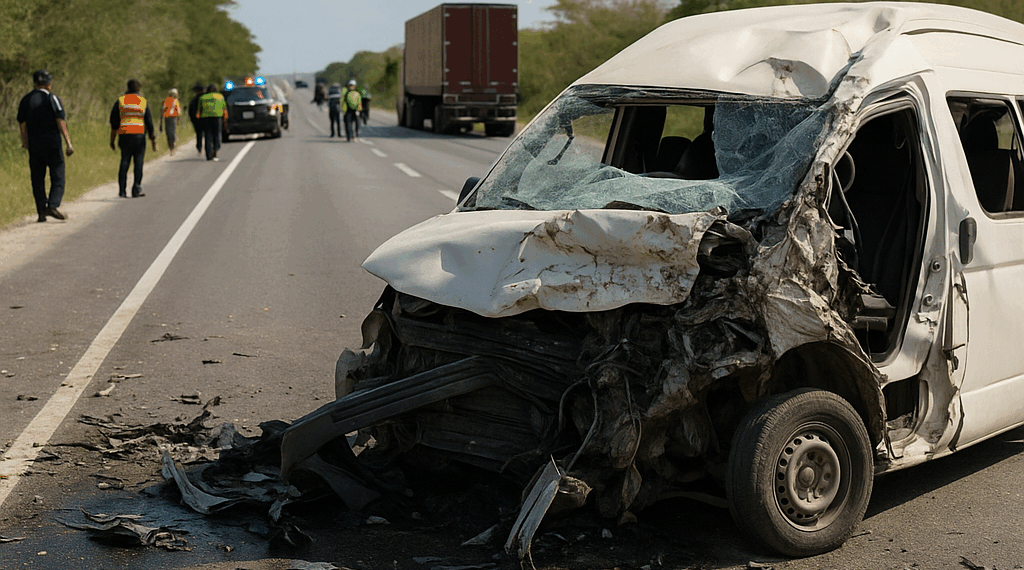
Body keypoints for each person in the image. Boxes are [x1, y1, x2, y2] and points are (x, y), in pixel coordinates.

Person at [18, 69, 74, 222]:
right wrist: (68, 142)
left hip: (35, 143)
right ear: (49, 84)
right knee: (58, 173)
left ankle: (41, 210)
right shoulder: (52, 98)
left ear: (35, 83)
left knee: (37, 177)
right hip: (52, 142)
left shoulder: (25, 100)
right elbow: (60, 120)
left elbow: (22, 124)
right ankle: (53, 204)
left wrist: (25, 142)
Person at [109, 78, 156, 198]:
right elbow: (149, 121)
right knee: (138, 162)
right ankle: (137, 188)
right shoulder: (142, 101)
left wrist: (112, 139)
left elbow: (114, 122)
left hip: (124, 134)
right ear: (139, 89)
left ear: (127, 87)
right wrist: (152, 137)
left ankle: (122, 190)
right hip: (139, 135)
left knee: (125, 161)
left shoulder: (120, 101)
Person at [197, 84, 227, 161]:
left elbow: (198, 111)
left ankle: (208, 154)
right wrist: (225, 120)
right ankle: (216, 150)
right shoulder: (220, 97)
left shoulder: (202, 98)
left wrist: (199, 120)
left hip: (205, 118)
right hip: (217, 117)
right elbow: (224, 109)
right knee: (217, 134)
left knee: (208, 136)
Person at [160, 88, 181, 156]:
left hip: (169, 117)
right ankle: (172, 145)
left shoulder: (167, 100)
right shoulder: (174, 100)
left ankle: (172, 146)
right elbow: (178, 110)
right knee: (171, 132)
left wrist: (161, 118)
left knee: (169, 132)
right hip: (171, 117)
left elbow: (163, 109)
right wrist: (178, 118)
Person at [187, 82, 205, 155]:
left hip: (197, 119)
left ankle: (199, 148)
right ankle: (207, 148)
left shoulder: (194, 100)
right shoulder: (204, 98)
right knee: (207, 134)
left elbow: (190, 111)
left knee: (199, 134)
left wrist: (192, 119)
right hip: (204, 118)